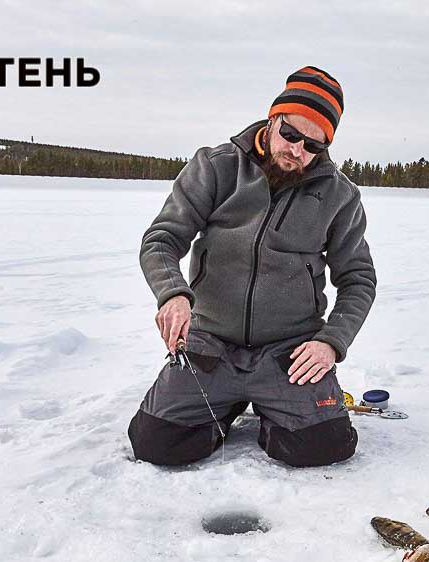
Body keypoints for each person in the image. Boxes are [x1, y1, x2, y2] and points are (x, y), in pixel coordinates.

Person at [128, 66, 377, 468]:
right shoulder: (215, 167)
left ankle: (275, 407)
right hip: (210, 340)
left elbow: (358, 279)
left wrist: (331, 341)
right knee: (157, 444)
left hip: (289, 350)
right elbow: (161, 240)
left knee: (324, 446)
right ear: (272, 118)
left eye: (312, 145)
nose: (297, 150)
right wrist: (173, 293)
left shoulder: (339, 195)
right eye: (291, 134)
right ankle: (222, 405)